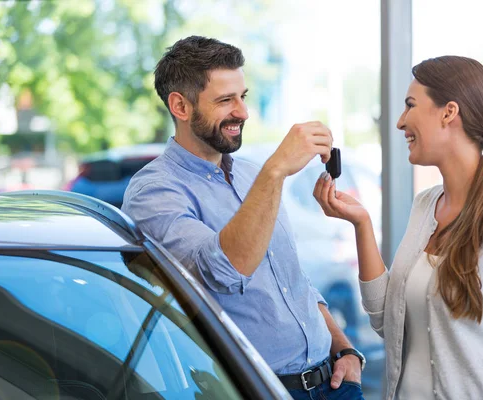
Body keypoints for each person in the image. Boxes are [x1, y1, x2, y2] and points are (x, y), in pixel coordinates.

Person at [313, 55, 483, 400]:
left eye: (411, 105)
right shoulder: (425, 204)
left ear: (449, 112)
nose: (400, 122)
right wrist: (362, 224)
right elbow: (387, 323)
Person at [121, 35, 365, 400]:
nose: (243, 112)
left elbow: (294, 282)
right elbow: (223, 271)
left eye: (243, 97)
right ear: (180, 106)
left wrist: (344, 349)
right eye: (225, 100)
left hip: (333, 383)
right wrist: (277, 170)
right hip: (255, 392)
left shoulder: (253, 175)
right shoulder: (154, 192)